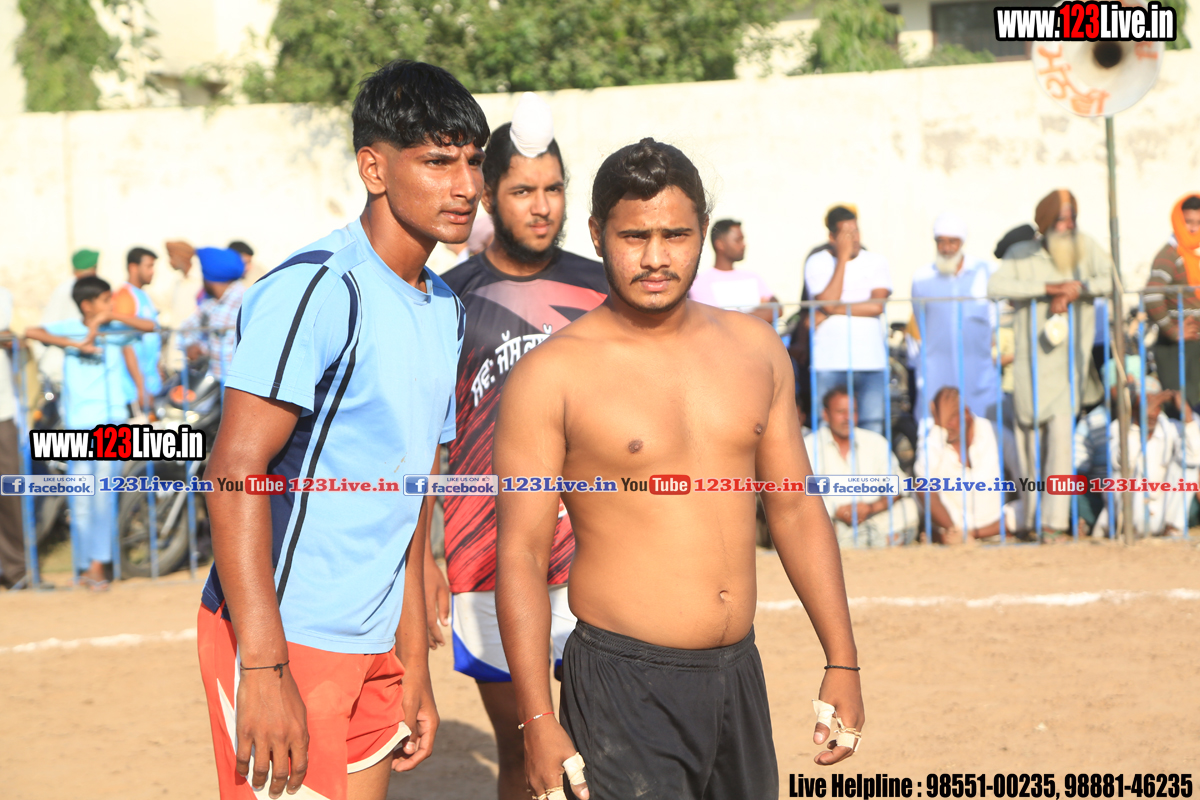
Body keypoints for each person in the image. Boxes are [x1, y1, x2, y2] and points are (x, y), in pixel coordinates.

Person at [495, 138, 864, 800]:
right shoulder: (551, 375)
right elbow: (521, 552)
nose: (655, 257)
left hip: (738, 675)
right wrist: (537, 719)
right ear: (597, 235)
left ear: (703, 232)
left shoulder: (756, 349)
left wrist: (843, 658)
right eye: (634, 236)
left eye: (675, 235)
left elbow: (794, 506)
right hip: (621, 685)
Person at [195, 59, 484, 800]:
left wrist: (413, 662)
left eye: (474, 161)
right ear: (373, 168)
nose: (466, 185)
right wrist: (265, 668)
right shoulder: (319, 288)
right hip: (285, 639)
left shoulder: (445, 308)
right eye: (438, 162)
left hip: (378, 640)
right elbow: (231, 474)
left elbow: (413, 492)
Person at [432, 93, 608, 800]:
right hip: (486, 557)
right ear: (488, 197)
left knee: (599, 748)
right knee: (523, 755)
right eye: (523, 191)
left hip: (596, 551)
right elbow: (426, 440)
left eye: (553, 190)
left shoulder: (601, 288)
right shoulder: (445, 299)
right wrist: (421, 566)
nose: (542, 207)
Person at [988, 189, 1113, 540]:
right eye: (1061, 219)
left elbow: (1112, 280)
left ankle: (1053, 523)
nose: (1068, 225)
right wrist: (1050, 287)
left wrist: (1078, 288)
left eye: (1072, 218)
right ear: (1045, 223)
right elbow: (996, 286)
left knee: (1061, 445)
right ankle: (1030, 519)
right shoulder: (1021, 253)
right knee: (1028, 447)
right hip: (1030, 368)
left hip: (1069, 367)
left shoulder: (1086, 247)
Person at [24, 276, 154, 590]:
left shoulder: (115, 329)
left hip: (111, 423)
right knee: (80, 498)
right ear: (86, 304)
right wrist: (74, 344)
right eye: (106, 300)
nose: (111, 303)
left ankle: (99, 564)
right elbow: (31, 332)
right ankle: (83, 565)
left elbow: (150, 327)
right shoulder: (69, 328)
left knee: (102, 498)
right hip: (78, 426)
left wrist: (109, 317)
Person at [805, 205, 893, 435]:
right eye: (846, 234)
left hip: (871, 362)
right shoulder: (817, 262)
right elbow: (826, 300)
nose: (854, 238)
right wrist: (842, 259)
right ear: (832, 237)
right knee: (826, 429)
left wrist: (831, 309)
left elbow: (877, 305)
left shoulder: (876, 261)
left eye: (856, 231)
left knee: (872, 427)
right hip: (829, 363)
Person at [804, 387, 919, 548]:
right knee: (808, 520)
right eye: (841, 412)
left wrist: (871, 508)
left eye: (852, 411)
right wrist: (836, 511)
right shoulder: (809, 445)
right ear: (826, 415)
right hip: (831, 521)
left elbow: (896, 486)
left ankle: (852, 541)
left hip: (873, 517)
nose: (847, 418)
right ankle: (876, 541)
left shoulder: (875, 442)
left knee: (908, 509)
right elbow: (804, 491)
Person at [909, 212, 998, 419]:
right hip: (937, 372)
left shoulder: (986, 272)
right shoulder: (922, 278)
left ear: (962, 242)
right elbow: (921, 322)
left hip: (978, 374)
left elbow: (993, 322)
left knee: (983, 427)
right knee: (936, 426)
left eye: (952, 242)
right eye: (941, 242)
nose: (946, 248)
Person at [1093, 378, 1200, 538]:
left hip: (1161, 512)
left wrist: (1187, 416)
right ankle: (1128, 530)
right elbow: (1122, 462)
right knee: (1122, 473)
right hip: (1129, 514)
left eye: (1155, 404)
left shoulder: (1170, 427)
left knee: (1188, 466)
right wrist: (1138, 424)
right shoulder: (1118, 427)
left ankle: (1173, 529)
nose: (1150, 411)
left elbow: (1195, 457)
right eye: (1144, 405)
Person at [915, 386, 1010, 544]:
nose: (947, 426)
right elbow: (921, 482)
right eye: (941, 420)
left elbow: (1024, 475)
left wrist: (967, 535)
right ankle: (954, 535)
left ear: (965, 413)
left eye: (951, 418)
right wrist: (939, 428)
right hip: (954, 526)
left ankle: (956, 537)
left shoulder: (995, 433)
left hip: (994, 523)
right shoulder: (935, 437)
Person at [1145, 194, 1200, 408]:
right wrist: (1173, 331)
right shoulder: (1169, 255)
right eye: (1188, 222)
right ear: (1178, 220)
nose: (1193, 228)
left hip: (1195, 347)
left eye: (1198, 222)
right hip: (1178, 349)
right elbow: (1152, 296)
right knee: (1183, 407)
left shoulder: (1194, 255)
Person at [689, 219, 779, 322]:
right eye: (738, 240)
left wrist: (734, 319)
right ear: (720, 244)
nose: (744, 245)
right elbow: (714, 320)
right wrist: (761, 312)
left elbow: (777, 308)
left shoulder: (753, 277)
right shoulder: (700, 282)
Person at [178, 247, 246, 380]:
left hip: (238, 384)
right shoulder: (210, 304)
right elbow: (186, 329)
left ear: (208, 276)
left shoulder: (244, 301)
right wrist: (191, 345)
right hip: (213, 382)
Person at [36, 248, 101, 386]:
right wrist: (75, 344)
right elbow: (42, 329)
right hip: (61, 365)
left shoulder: (75, 288)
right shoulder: (66, 290)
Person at [112, 247, 163, 412]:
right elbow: (126, 345)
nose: (152, 271)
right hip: (134, 390)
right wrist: (140, 387)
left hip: (150, 385)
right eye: (148, 266)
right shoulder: (125, 296)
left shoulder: (143, 295)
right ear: (133, 267)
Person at [0, 286, 26, 589]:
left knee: (8, 492)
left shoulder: (3, 296)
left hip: (2, 412)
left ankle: (16, 570)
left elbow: (12, 334)